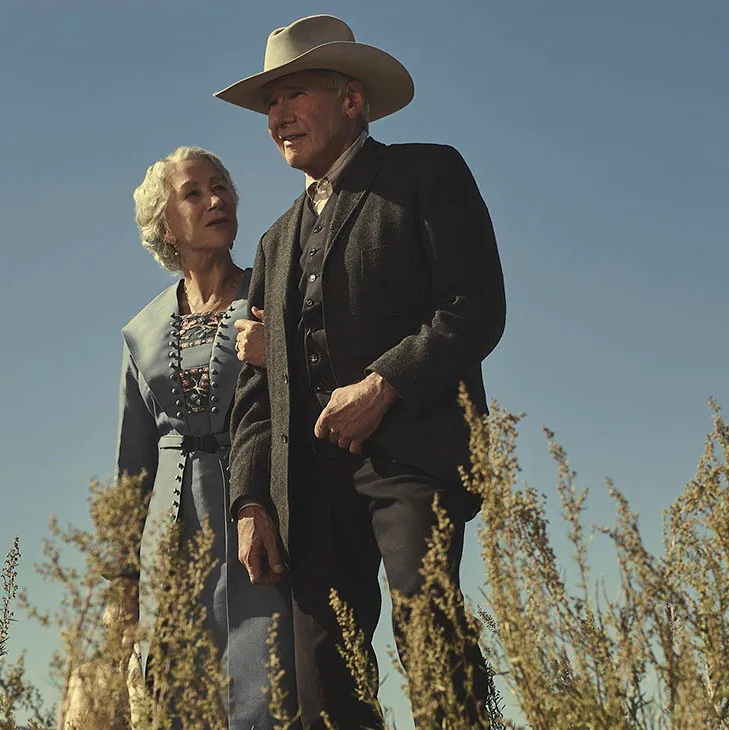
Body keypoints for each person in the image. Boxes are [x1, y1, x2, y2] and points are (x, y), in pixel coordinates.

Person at [219, 15, 505, 729]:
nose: (279, 115)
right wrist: (250, 501)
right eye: (269, 105)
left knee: (430, 636)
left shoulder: (426, 174)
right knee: (324, 680)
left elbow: (475, 307)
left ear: (352, 100)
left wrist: (383, 384)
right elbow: (254, 392)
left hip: (412, 461)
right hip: (307, 489)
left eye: (293, 95)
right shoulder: (273, 242)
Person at [91, 146, 296, 729]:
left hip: (265, 518)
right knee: (178, 698)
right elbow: (131, 469)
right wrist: (121, 579)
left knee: (270, 686)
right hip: (171, 542)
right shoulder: (141, 333)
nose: (217, 199)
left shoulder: (272, 296)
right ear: (166, 226)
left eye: (223, 185)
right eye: (195, 192)